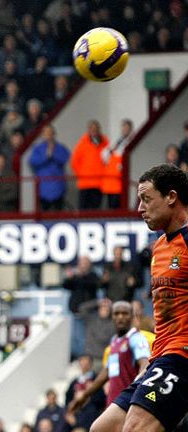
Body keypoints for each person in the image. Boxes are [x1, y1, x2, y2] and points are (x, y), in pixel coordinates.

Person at [90, 164, 188, 431]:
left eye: (146, 199)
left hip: (181, 356)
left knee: (135, 428)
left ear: (171, 197)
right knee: (102, 428)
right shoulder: (159, 247)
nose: (139, 208)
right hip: (161, 355)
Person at [68, 302, 150, 416]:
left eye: (125, 313)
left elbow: (145, 364)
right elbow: (107, 372)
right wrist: (85, 395)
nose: (120, 317)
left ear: (132, 316)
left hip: (127, 404)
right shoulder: (115, 341)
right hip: (113, 403)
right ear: (112, 316)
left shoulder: (136, 338)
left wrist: (137, 389)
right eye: (116, 313)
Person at [29, 125, 70, 211]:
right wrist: (46, 156)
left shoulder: (61, 148)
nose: (48, 135)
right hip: (43, 187)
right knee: (43, 214)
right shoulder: (37, 149)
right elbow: (33, 161)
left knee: (58, 214)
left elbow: (65, 158)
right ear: (43, 135)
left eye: (50, 133)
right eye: (46, 133)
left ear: (54, 134)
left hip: (58, 186)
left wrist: (53, 155)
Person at [71, 120, 108, 210]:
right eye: (91, 129)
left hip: (99, 183)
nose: (94, 131)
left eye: (95, 129)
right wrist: (81, 175)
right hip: (85, 183)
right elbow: (74, 162)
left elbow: (108, 161)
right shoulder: (82, 143)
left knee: (96, 210)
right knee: (83, 211)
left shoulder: (105, 143)